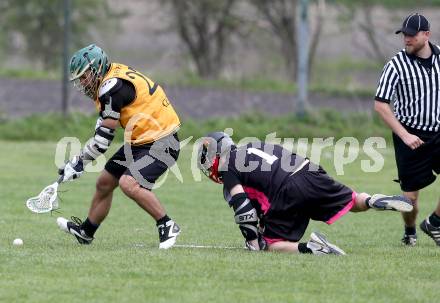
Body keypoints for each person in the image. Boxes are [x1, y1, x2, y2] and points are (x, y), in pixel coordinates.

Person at [196, 132, 413, 255]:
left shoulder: (228, 167)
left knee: (271, 244)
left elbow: (244, 209)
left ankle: (313, 248)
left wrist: (253, 242)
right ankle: (373, 199)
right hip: (308, 170)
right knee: (351, 200)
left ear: (218, 153)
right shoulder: (253, 145)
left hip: (286, 190)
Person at [56, 44, 181, 249]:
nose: (82, 82)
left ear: (97, 69)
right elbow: (105, 122)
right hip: (141, 141)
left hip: (162, 141)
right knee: (105, 182)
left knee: (129, 183)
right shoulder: (111, 77)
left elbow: (103, 140)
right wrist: (78, 161)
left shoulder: (111, 87)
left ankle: (166, 224)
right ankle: (87, 231)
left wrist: (79, 162)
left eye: (84, 76)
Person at [374, 13, 440, 246]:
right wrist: (404, 134)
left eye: (412, 35)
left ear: (426, 35)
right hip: (409, 134)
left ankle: (434, 222)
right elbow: (381, 104)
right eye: (404, 35)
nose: (407, 39)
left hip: (438, 131)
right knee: (410, 199)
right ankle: (410, 231)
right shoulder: (396, 65)